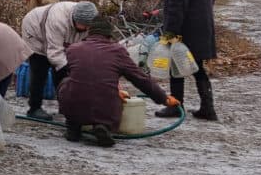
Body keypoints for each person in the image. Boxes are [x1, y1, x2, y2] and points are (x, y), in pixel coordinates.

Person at [59, 16, 179, 146]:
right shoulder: (118, 51)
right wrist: (163, 98)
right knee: (108, 95)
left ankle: (73, 127)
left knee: (66, 83)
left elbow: (83, 76)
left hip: (74, 107)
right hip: (105, 108)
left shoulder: (73, 49)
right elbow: (140, 79)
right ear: (109, 34)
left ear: (90, 31)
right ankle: (103, 126)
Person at [155, 0, 218, 121]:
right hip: (203, 28)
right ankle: (208, 108)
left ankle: (175, 106)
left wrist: (170, 33)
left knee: (176, 67)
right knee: (197, 67)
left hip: (184, 29)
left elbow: (176, 5)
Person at [20, 0, 98, 120]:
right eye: (85, 25)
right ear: (75, 19)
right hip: (35, 31)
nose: (87, 28)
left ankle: (65, 106)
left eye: (89, 26)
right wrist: (72, 71)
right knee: (40, 68)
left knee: (63, 71)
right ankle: (34, 108)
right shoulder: (58, 21)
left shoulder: (87, 21)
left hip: (60, 35)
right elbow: (54, 54)